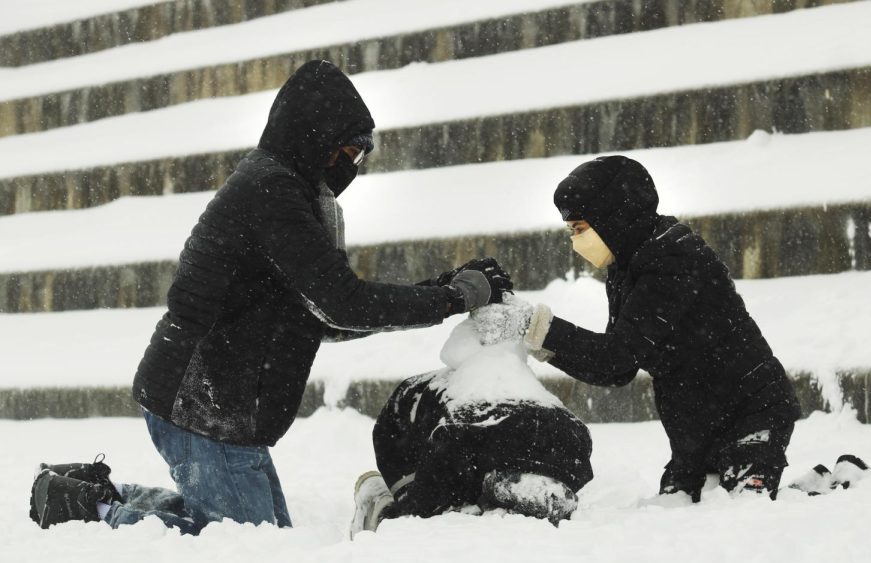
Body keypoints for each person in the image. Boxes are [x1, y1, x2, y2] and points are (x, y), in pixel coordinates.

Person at [29, 60, 512, 532]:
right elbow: (343, 302)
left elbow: (328, 315)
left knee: (257, 532)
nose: (353, 167)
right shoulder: (272, 193)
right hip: (203, 408)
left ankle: (99, 496)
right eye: (350, 152)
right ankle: (89, 512)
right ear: (318, 138)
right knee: (239, 546)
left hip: (219, 409)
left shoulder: (285, 190)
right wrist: (452, 297)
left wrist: (442, 291)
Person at [520, 155, 801, 502]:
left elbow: (617, 359)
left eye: (580, 228)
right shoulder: (627, 265)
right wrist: (541, 340)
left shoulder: (672, 260)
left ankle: (831, 490)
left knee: (743, 514)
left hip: (749, 414)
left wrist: (536, 329)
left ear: (613, 218)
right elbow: (617, 369)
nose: (575, 240)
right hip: (694, 431)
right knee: (673, 514)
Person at [350, 297, 593, 538]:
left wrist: (404, 505)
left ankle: (388, 504)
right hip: (548, 443)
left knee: (426, 505)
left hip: (466, 440)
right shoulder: (567, 424)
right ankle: (523, 488)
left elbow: (426, 496)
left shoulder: (449, 411)